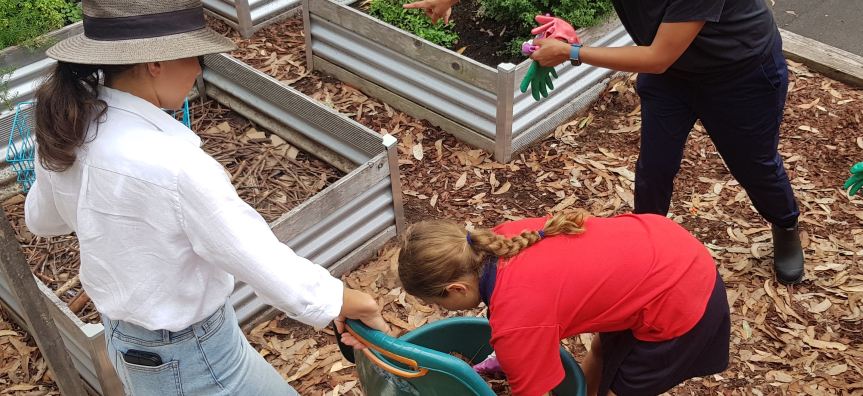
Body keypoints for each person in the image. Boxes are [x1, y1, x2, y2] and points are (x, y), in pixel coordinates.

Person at [24, 1, 388, 394]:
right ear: (155, 62)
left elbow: (42, 220)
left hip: (129, 341)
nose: (198, 69)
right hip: (191, 357)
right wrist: (356, 302)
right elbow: (263, 263)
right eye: (194, 55)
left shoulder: (71, 126)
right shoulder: (176, 165)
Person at [404, 0, 805, 285]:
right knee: (654, 167)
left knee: (754, 164)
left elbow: (658, 57)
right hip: (674, 81)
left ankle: (785, 225)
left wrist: (572, 51)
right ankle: (649, 249)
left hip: (740, 77)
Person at [395, 212, 730, 396]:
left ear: (455, 289)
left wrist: (517, 358)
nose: (444, 311)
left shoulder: (517, 320)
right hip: (664, 246)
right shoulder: (501, 239)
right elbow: (542, 297)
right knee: (602, 353)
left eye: (439, 304)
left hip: (681, 298)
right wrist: (513, 355)